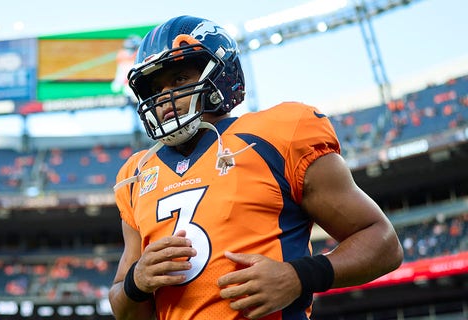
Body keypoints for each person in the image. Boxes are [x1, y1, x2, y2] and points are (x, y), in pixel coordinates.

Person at [108, 15, 403, 320]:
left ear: (219, 74)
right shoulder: (136, 175)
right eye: (156, 88)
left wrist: (298, 276)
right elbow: (124, 309)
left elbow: (382, 242)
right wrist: (136, 282)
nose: (165, 97)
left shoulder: (278, 134)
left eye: (179, 78)